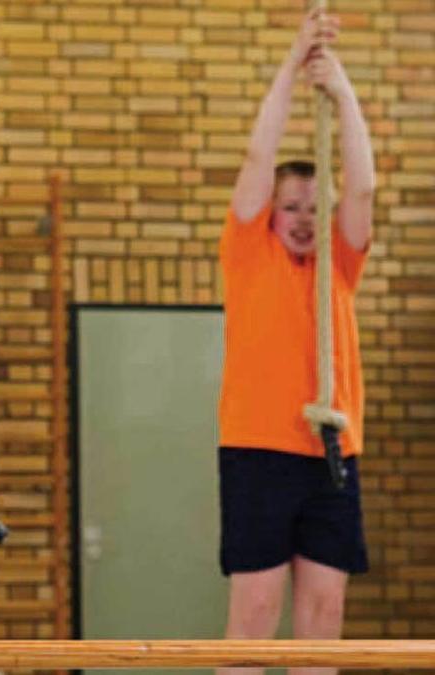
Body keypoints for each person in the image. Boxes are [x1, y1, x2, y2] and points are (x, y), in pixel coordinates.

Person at [217, 8, 374, 674]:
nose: (304, 219)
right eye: (291, 207)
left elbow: (363, 184)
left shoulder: (339, 264)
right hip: (259, 449)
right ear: (270, 213)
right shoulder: (249, 254)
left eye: (316, 207)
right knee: (255, 613)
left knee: (323, 615)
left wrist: (343, 94)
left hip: (332, 451)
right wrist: (291, 66)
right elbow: (259, 156)